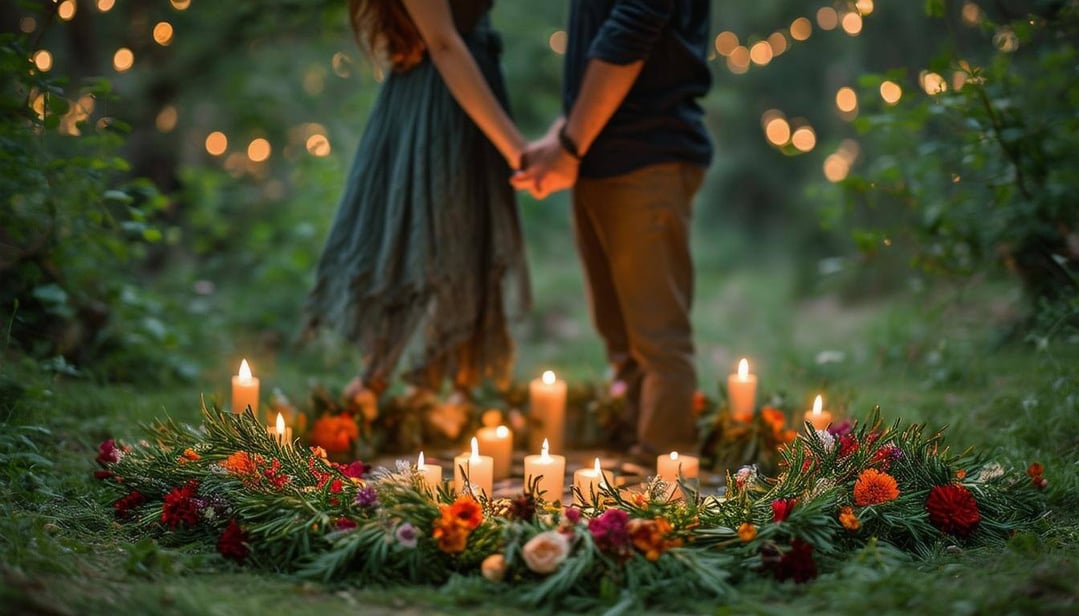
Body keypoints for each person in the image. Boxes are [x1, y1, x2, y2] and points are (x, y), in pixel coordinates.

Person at [513, 0, 712, 457]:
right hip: (598, 156)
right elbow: (600, 42)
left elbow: (633, 28)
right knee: (620, 337)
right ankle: (632, 475)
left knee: (658, 341)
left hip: (646, 154)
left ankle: (666, 484)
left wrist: (569, 144)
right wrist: (562, 138)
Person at [303, 0, 531, 398]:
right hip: (444, 97)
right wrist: (518, 151)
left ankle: (443, 391)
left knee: (465, 235)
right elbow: (443, 43)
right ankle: (378, 383)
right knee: (431, 234)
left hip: (467, 90)